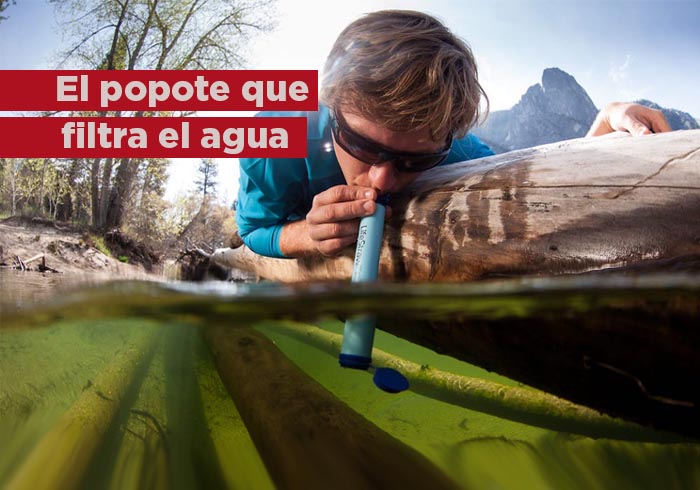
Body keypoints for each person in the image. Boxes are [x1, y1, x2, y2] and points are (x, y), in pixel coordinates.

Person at [236, 10, 670, 259]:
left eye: (413, 162)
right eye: (363, 146)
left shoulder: (452, 149)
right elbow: (255, 228)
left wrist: (604, 124)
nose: (384, 180)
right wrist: (304, 236)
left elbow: (532, 175)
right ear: (330, 103)